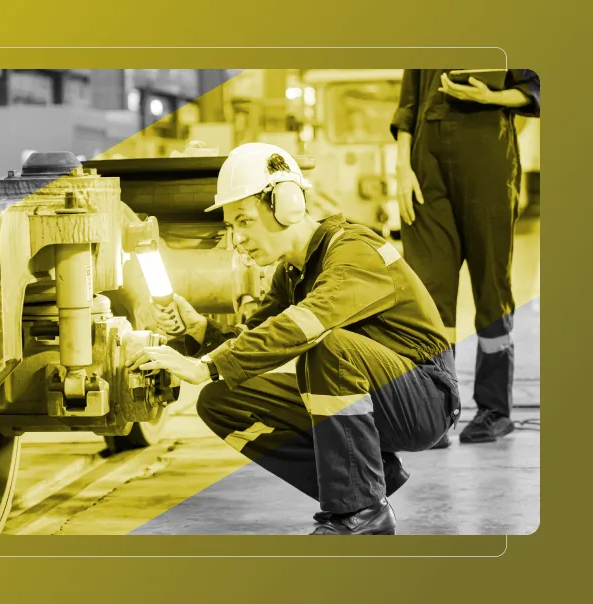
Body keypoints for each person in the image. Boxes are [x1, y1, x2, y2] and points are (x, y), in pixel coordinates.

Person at [127, 142, 461, 535]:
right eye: (232, 227)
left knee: (328, 349)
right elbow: (253, 335)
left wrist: (206, 366)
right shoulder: (293, 273)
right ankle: (366, 484)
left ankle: (360, 512)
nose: (237, 239)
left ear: (287, 204)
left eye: (244, 221)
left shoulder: (354, 251)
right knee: (222, 401)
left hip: (426, 398)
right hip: (380, 394)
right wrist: (198, 330)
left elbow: (306, 324)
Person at [390, 69, 540, 446]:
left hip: (488, 154)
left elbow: (537, 87)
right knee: (428, 291)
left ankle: (495, 409)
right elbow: (408, 105)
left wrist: (491, 98)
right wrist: (402, 167)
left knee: (491, 285)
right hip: (426, 166)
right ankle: (435, 412)